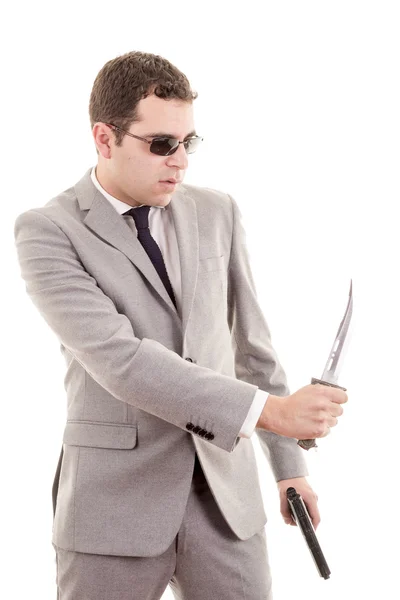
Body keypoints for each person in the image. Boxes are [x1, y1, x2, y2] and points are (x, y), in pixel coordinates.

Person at [13, 50, 348, 600]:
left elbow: (252, 350)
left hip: (226, 503)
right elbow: (121, 361)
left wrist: (289, 462)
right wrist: (274, 412)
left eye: (187, 143)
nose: (181, 161)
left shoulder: (217, 211)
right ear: (104, 138)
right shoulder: (49, 231)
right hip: (114, 509)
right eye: (161, 144)